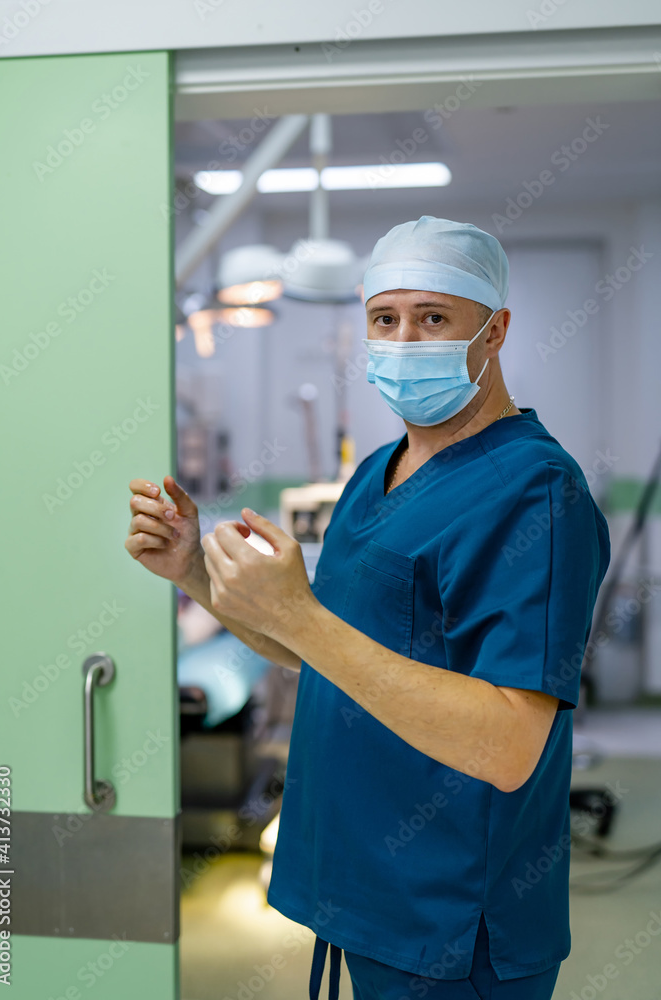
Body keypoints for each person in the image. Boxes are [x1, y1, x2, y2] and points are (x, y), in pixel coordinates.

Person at [125, 215, 611, 1000]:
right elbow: (319, 650)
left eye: (434, 317)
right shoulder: (377, 471)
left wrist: (303, 616)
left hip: (450, 920)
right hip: (363, 890)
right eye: (385, 319)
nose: (404, 340)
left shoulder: (534, 494)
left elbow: (510, 744)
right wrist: (194, 573)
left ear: (495, 331)